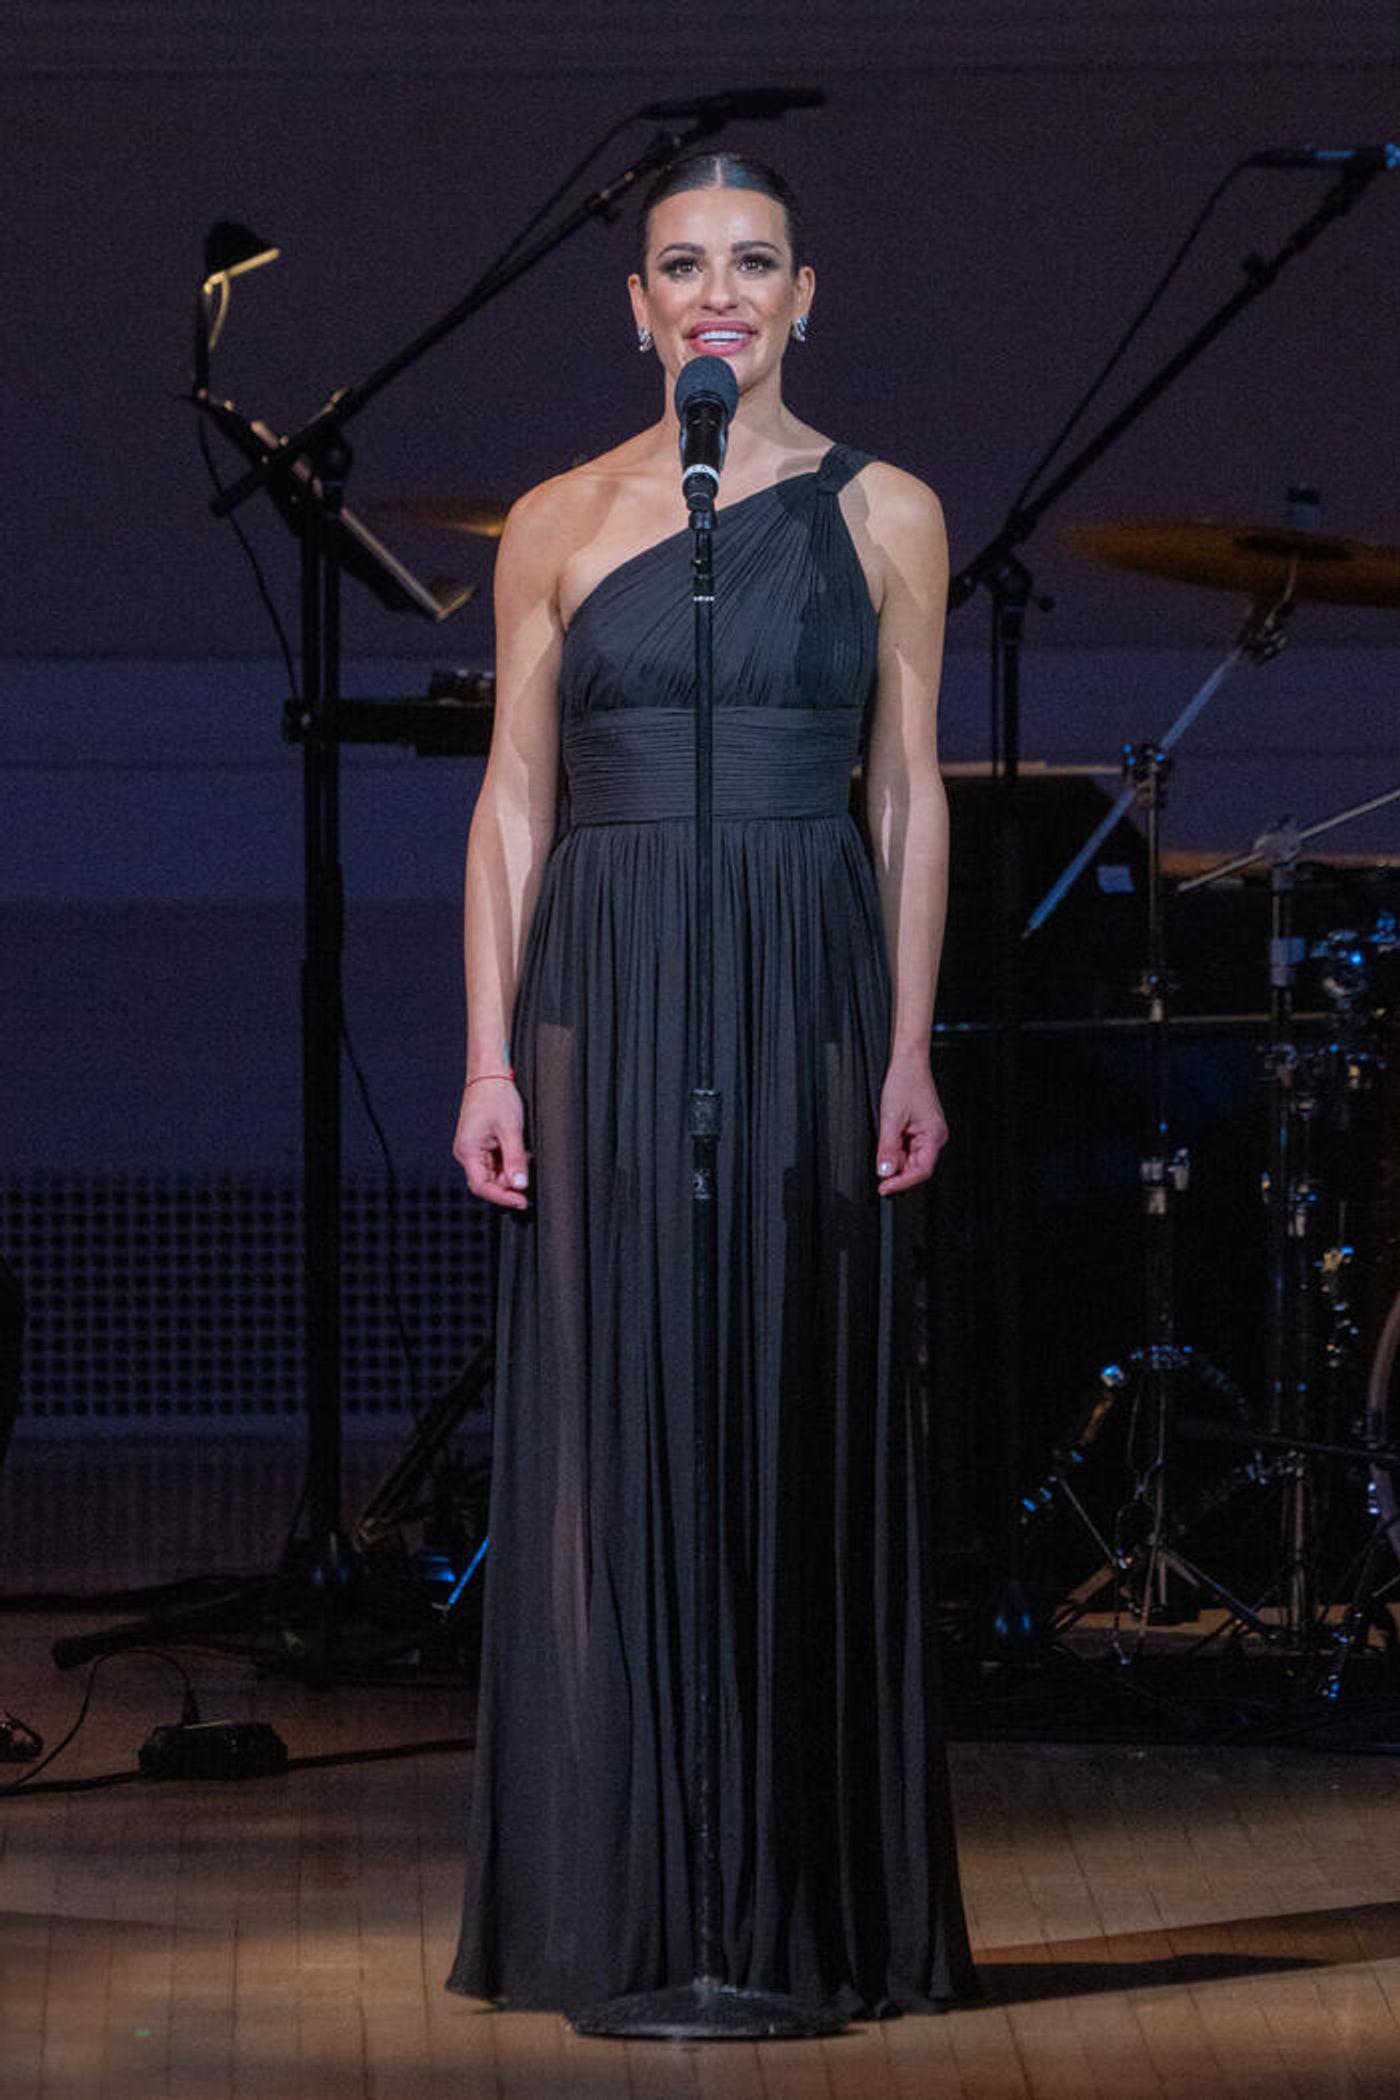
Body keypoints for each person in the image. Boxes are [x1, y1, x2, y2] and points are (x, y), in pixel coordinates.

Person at [448, 148, 976, 2019]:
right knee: (617, 1417)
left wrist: (911, 1041)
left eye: (754, 261)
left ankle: (798, 1905)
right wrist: (486, 1052)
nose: (720, 292)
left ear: (807, 293)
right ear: (640, 307)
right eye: (685, 265)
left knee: (794, 1404)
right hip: (610, 977)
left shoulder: (887, 508)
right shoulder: (557, 517)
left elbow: (905, 795)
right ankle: (626, 1899)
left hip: (808, 971)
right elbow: (515, 799)